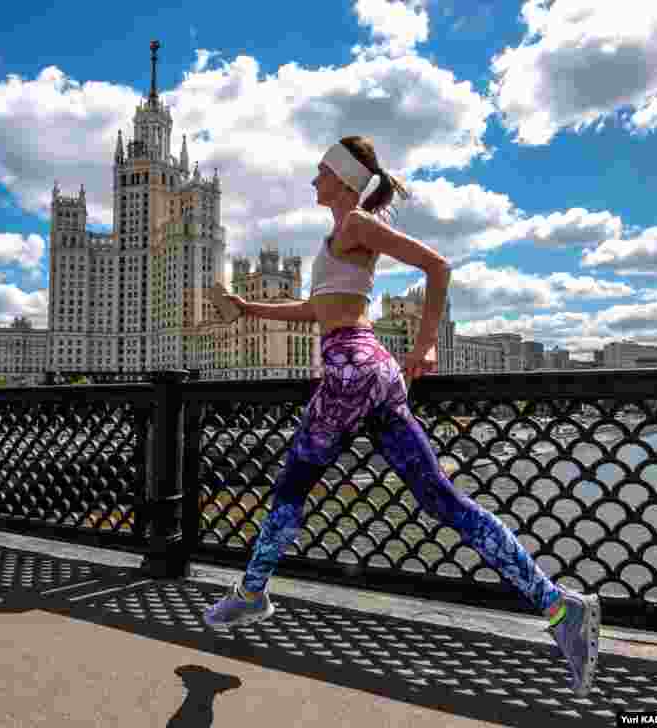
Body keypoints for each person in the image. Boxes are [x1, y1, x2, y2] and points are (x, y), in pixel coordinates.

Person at [202, 136, 601, 697]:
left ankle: (251, 594)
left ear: (342, 181)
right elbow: (317, 310)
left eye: (320, 172)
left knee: (290, 490)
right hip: (374, 373)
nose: (312, 180)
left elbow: (438, 267)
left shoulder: (357, 225)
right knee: (442, 499)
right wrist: (248, 308)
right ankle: (560, 607)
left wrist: (428, 344)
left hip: (348, 374)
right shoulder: (338, 236)